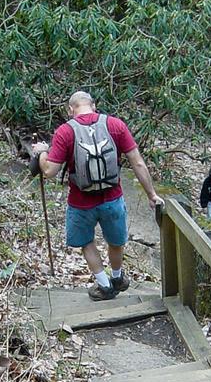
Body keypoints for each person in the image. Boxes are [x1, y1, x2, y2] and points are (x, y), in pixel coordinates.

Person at [32, 91, 163, 301]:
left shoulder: (65, 132)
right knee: (116, 242)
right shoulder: (115, 125)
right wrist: (152, 194)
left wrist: (42, 152)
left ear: (70, 109)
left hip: (80, 203)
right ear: (93, 105)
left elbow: (49, 171)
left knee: (86, 242)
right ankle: (118, 277)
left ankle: (104, 285)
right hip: (113, 198)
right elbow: (137, 162)